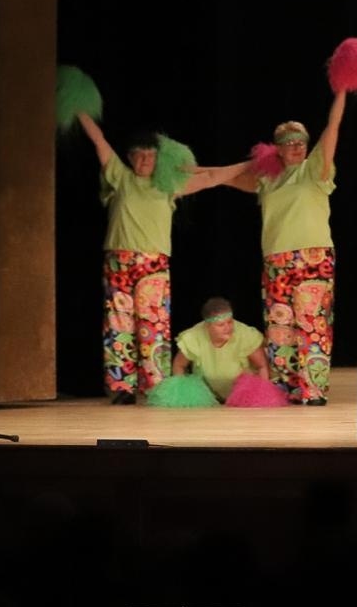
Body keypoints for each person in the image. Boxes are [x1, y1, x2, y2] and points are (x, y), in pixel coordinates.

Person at [76, 112, 247, 404]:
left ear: (158, 160)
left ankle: (154, 386)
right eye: (139, 156)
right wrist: (78, 107)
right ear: (130, 157)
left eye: (150, 156)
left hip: (153, 266)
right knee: (118, 324)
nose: (144, 162)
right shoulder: (121, 176)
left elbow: (211, 177)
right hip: (119, 261)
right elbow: (98, 140)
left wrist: (251, 164)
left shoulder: (167, 186)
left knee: (153, 325)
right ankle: (122, 388)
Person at [228, 90, 348, 405]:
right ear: (277, 148)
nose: (295, 148)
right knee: (280, 325)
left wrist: (342, 92)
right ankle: (284, 388)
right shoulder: (266, 180)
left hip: (313, 257)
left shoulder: (315, 170)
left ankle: (313, 389)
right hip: (276, 260)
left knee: (312, 323)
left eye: (300, 143)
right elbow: (225, 177)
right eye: (288, 143)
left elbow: (332, 130)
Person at [173, 297, 270, 403]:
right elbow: (179, 365)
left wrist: (263, 396)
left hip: (243, 398)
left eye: (230, 322)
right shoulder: (193, 337)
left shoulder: (245, 335)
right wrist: (182, 395)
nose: (227, 328)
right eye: (220, 325)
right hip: (207, 398)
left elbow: (262, 366)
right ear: (207, 326)